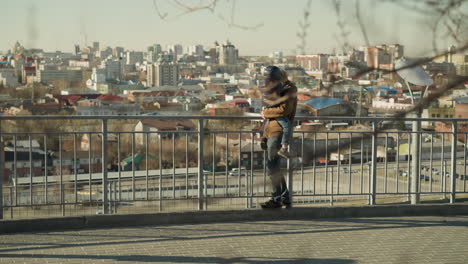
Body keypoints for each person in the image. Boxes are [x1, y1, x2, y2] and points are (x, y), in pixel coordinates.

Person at [260, 66, 298, 209]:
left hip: (277, 131)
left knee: (271, 166)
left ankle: (276, 199)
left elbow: (284, 110)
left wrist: (266, 112)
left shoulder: (289, 90)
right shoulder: (281, 89)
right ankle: (284, 197)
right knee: (274, 166)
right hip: (272, 131)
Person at [262, 69, 294, 159]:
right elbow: (282, 110)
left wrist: (265, 112)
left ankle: (264, 138)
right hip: (275, 126)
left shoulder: (269, 85)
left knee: (272, 159)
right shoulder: (282, 87)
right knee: (287, 126)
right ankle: (284, 148)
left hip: (272, 124)